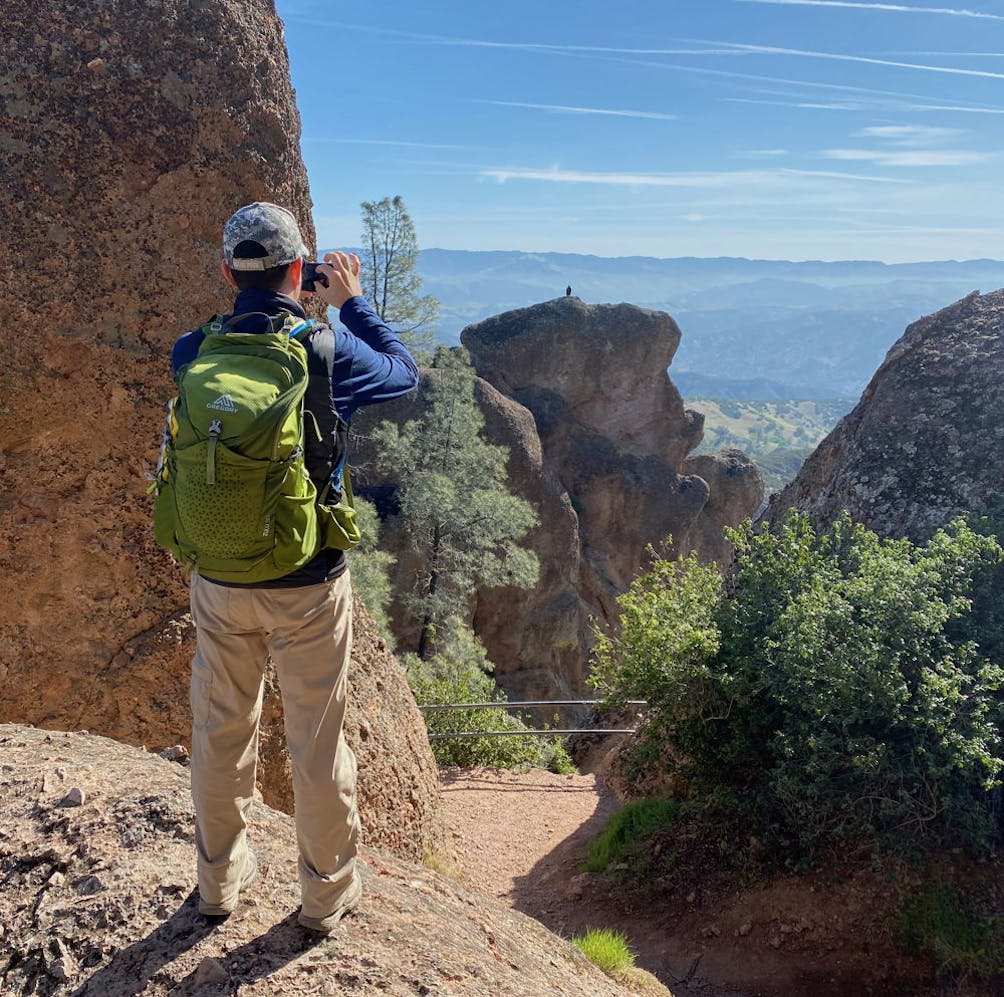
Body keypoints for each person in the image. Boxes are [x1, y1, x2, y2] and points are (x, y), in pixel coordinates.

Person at [169, 202, 419, 932]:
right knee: (316, 740)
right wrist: (349, 302)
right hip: (309, 583)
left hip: (218, 576)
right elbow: (403, 374)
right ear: (299, 270)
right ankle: (325, 895)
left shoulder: (191, 351)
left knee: (219, 732)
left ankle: (217, 885)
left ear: (226, 272)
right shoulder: (325, 349)